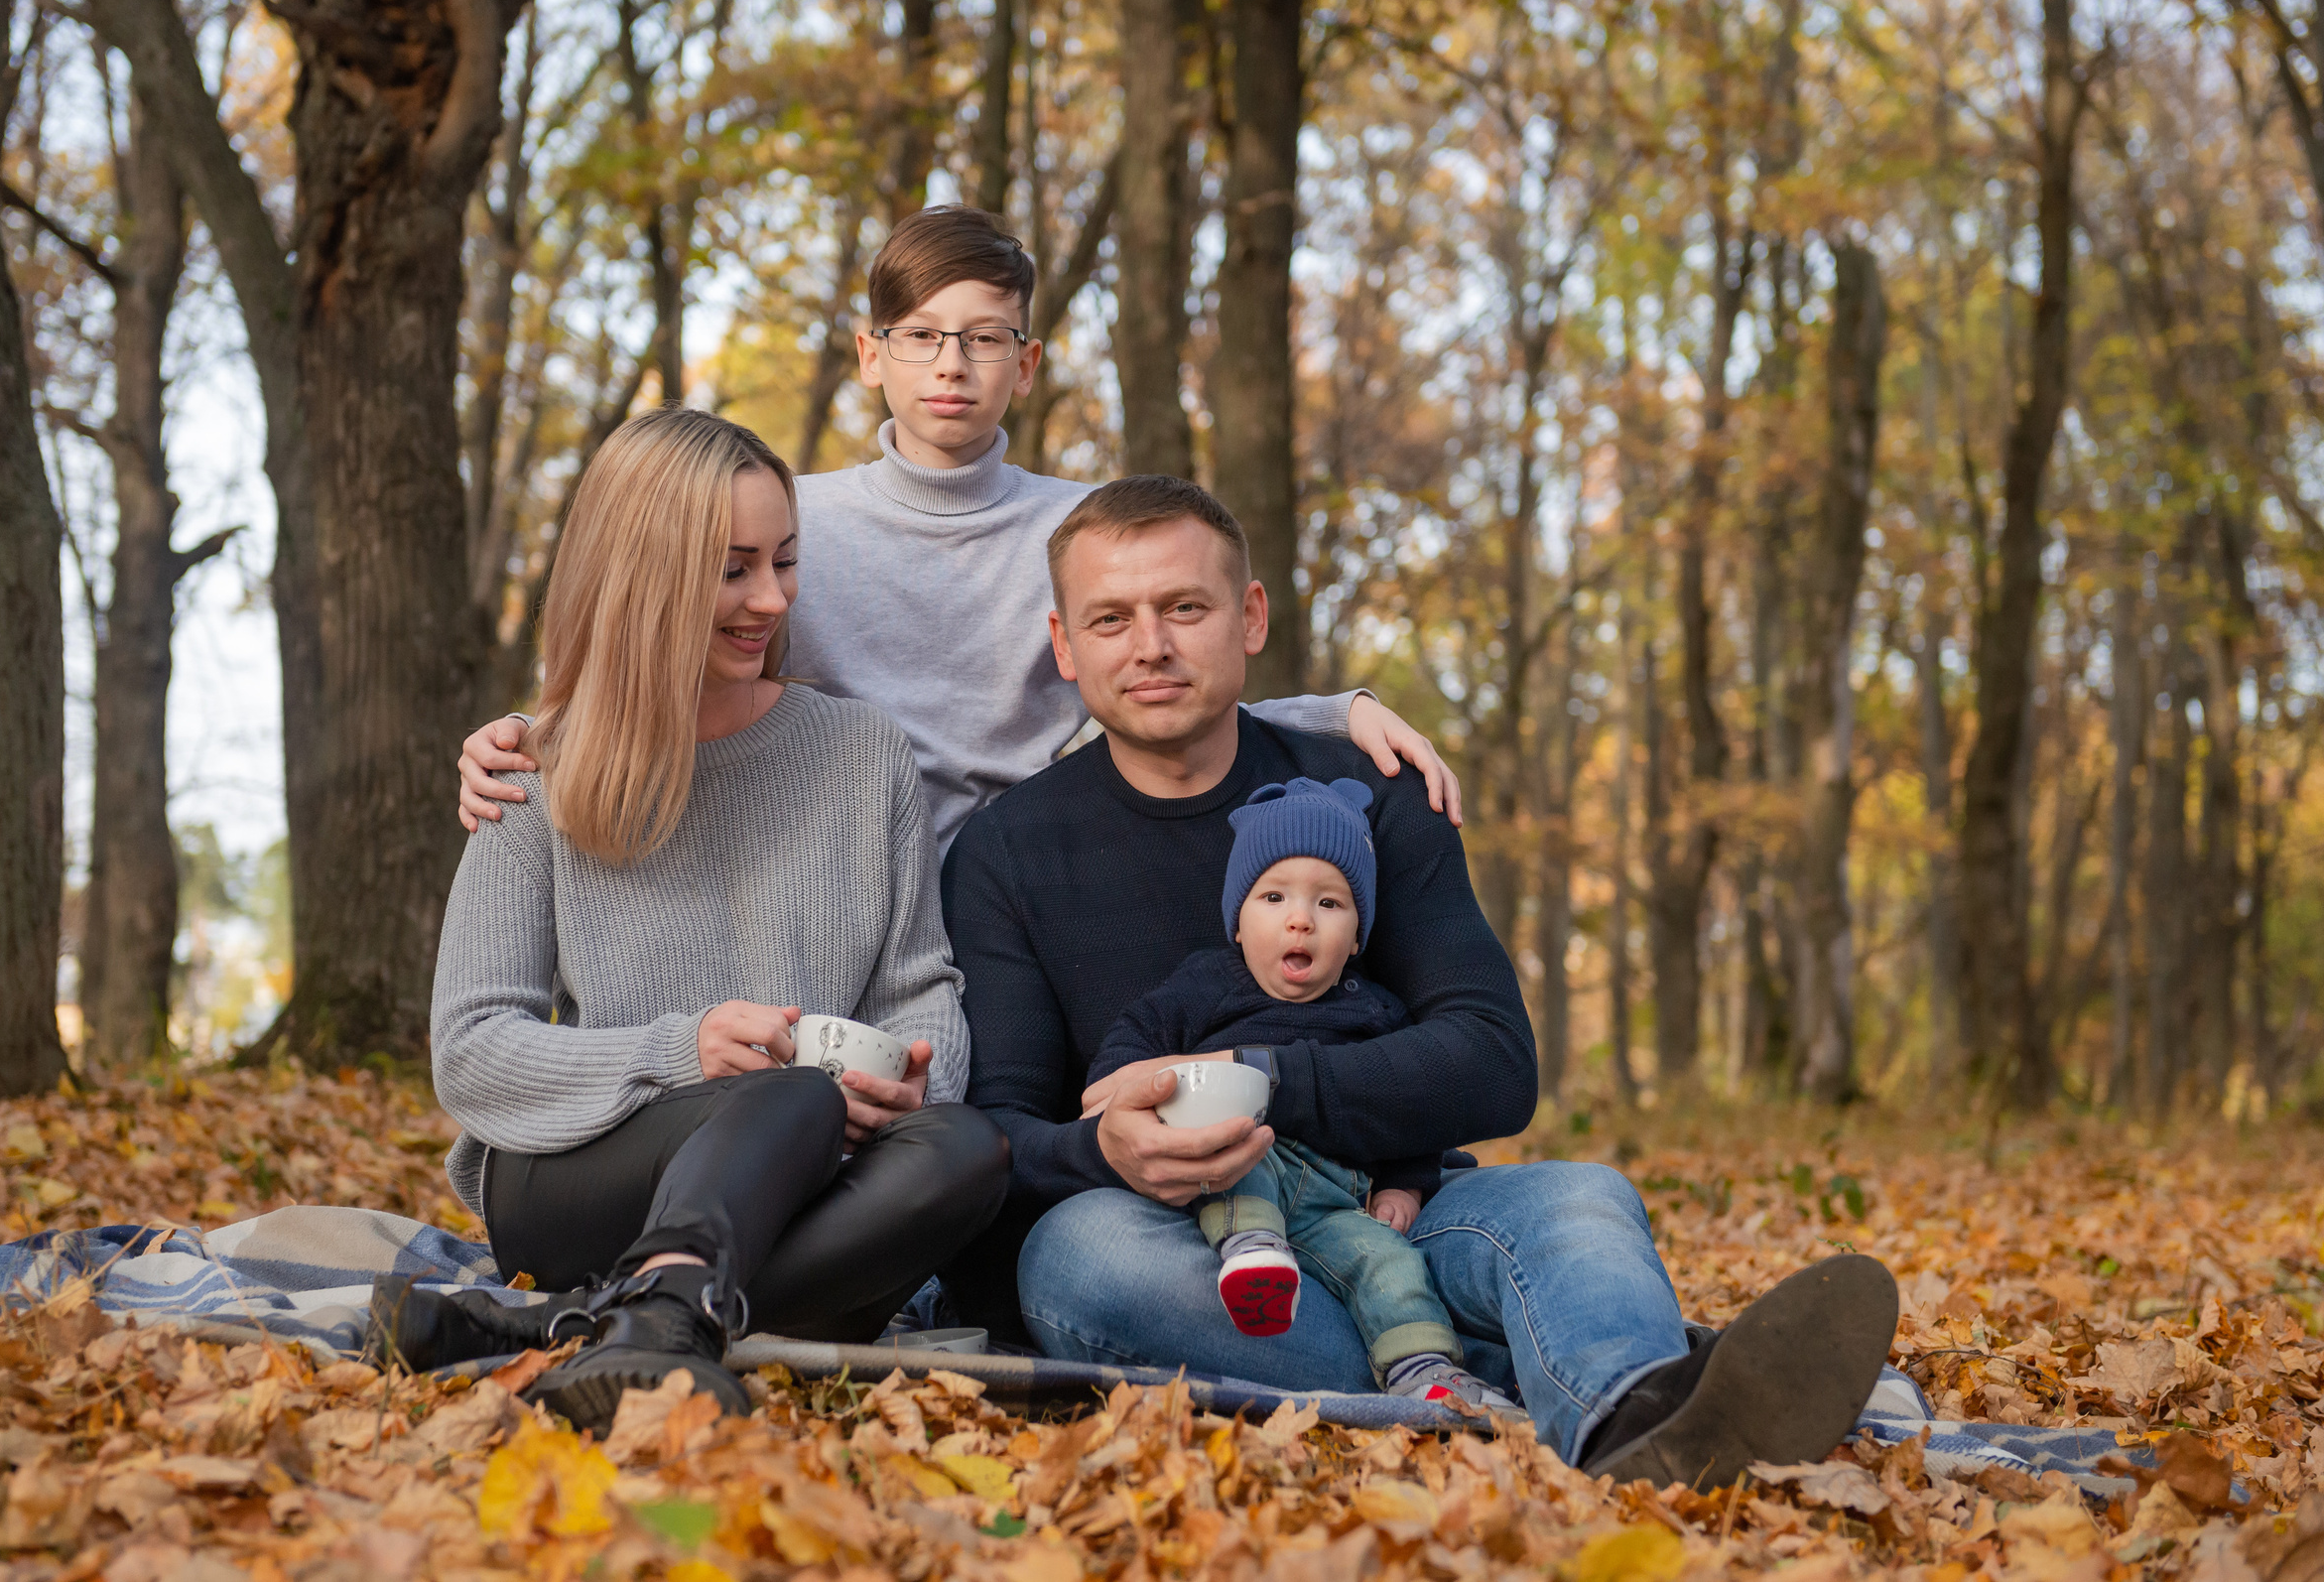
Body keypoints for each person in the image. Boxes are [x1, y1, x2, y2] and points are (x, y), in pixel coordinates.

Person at [942, 474, 1898, 1489]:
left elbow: (1494, 1060)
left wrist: (1260, 1076)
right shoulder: (1007, 849)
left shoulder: (1372, 794)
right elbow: (1001, 1127)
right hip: (1185, 1240)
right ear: (1064, 644)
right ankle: (1558, 1377)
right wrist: (1101, 1148)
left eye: (1184, 607)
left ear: (1250, 616)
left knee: (1581, 1196)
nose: (1151, 645)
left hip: (1395, 1209)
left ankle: (1629, 1412)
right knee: (1080, 1259)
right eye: (1111, 618)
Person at [456, 205, 1464, 851]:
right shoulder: (789, 525)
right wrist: (533, 731)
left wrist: (1338, 712)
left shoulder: (1082, 528)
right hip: (830, 870)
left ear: (1025, 364)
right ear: (870, 355)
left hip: (1036, 873)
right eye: (922, 335)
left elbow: (1166, 687)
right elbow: (679, 668)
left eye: (984, 337)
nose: (951, 364)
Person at [415, 408, 1008, 1432]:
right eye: (732, 569)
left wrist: (911, 1081)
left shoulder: (864, 754)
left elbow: (920, 988)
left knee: (968, 1150)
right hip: (579, 1173)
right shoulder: (531, 770)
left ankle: (622, 1318)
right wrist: (680, 1051)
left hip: (811, 1171)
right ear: (641, 574)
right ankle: (656, 1298)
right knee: (790, 1094)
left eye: (784, 560)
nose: (771, 599)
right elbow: (470, 1053)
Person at [1082, 775, 1505, 1410]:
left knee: (1389, 1263)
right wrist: (1115, 1088)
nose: (1300, 919)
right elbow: (1133, 1039)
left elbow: (1412, 1108)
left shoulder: (1377, 1012)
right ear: (1238, 922)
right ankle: (1254, 1254)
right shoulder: (1204, 986)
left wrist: (1405, 1185)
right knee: (1242, 1152)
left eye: (1329, 903)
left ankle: (1427, 1372)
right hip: (1237, 1163)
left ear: (1357, 936)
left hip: (1337, 1198)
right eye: (1274, 896)